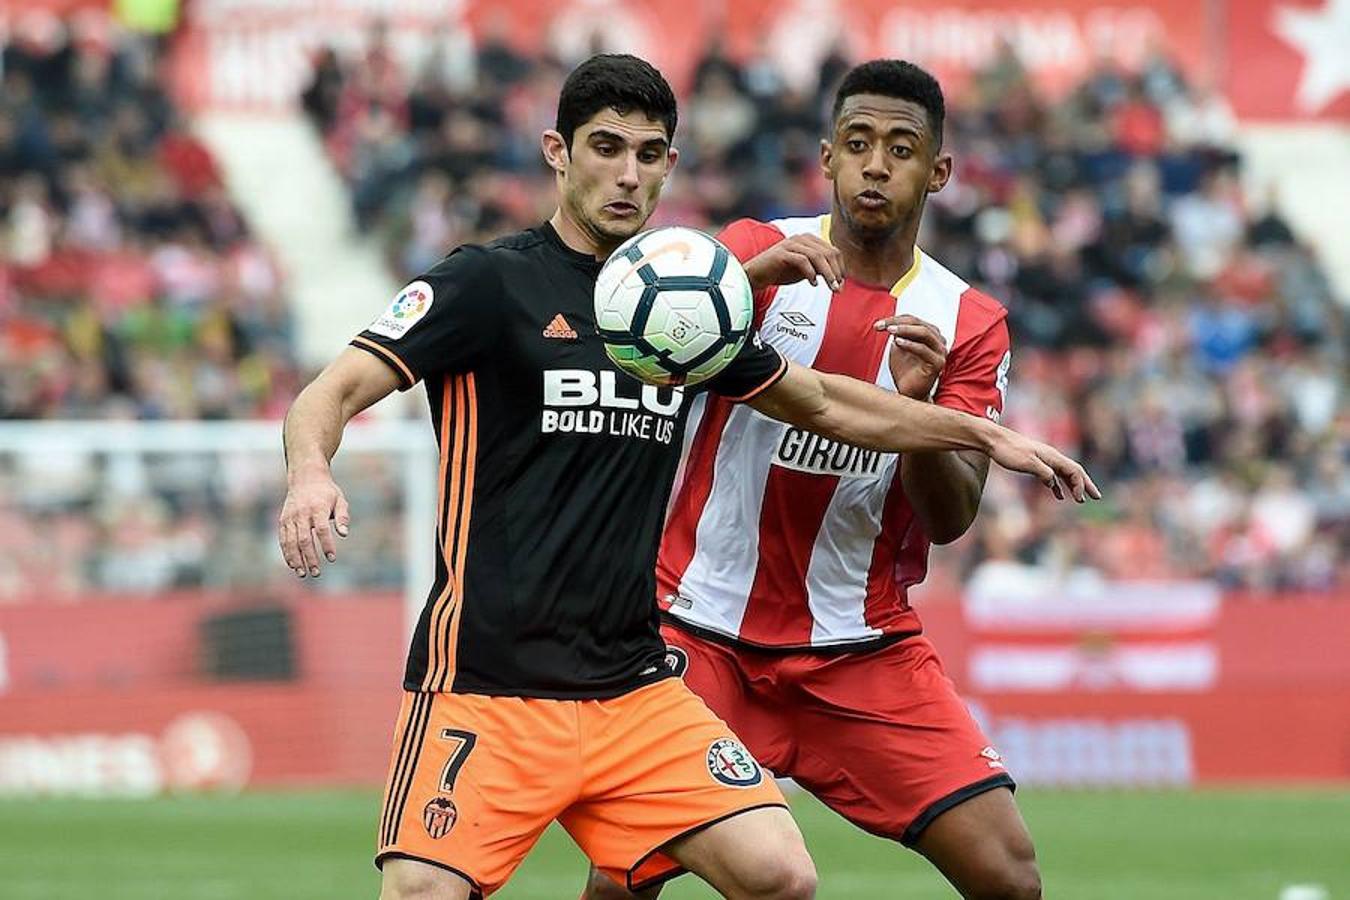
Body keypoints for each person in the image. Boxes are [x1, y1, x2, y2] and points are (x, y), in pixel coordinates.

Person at [278, 54, 1096, 900]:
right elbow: (330, 390)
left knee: (781, 876)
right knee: (427, 894)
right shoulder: (489, 282)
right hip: (492, 684)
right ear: (558, 152)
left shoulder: (681, 318)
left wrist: (976, 434)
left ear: (670, 166)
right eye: (605, 148)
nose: (626, 174)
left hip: (633, 685)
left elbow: (822, 402)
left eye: (648, 154)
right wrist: (310, 474)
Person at [583, 60, 1049, 900]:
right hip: (699, 626)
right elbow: (630, 359)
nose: (877, 165)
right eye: (860, 145)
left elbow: (949, 519)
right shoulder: (752, 257)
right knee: (625, 878)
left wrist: (919, 414)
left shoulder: (969, 323)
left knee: (1010, 876)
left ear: (937, 172)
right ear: (828, 158)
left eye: (902, 150)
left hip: (858, 650)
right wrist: (741, 285)